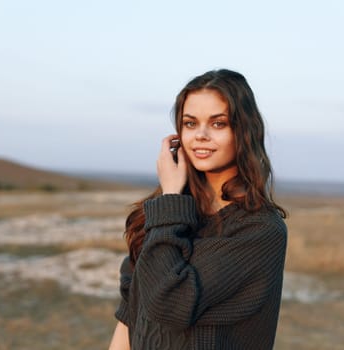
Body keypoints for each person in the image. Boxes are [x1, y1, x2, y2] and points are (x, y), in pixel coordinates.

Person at [108, 69, 288, 350]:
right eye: (190, 124)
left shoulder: (260, 230)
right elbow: (131, 313)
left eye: (218, 124)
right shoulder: (163, 212)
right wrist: (169, 202)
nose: (201, 135)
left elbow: (169, 302)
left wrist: (169, 197)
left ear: (244, 131)